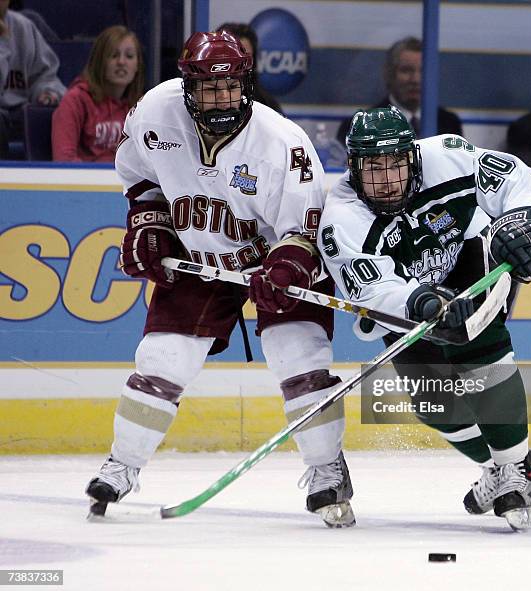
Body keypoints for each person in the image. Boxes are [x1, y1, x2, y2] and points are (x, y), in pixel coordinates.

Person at [85, 31, 354, 528]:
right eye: (208, 88)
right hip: (201, 255)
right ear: (187, 86)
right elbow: (140, 178)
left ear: (245, 85)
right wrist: (149, 222)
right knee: (163, 357)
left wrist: (287, 266)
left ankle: (326, 470)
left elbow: (307, 230)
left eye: (229, 87)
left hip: (277, 261)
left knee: (298, 356)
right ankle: (122, 464)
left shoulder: (283, 145)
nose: (220, 98)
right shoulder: (154, 112)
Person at [318, 106, 531, 531]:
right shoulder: (341, 220)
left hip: (466, 263)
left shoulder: (446, 156)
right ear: (352, 167)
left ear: (412, 156)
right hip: (411, 300)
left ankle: (516, 472)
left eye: (396, 163)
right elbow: (375, 291)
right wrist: (424, 303)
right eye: (374, 166)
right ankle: (497, 468)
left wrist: (522, 222)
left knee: (477, 349)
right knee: (433, 402)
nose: (388, 178)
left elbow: (521, 180)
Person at [336, 36, 462, 145]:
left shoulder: (449, 124)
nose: (415, 79)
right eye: (406, 70)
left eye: (423, 71)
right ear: (389, 74)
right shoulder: (361, 125)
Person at [51, 25, 145, 162]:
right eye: (113, 55)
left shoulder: (142, 106)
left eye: (129, 56)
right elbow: (64, 159)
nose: (121, 62)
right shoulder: (76, 100)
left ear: (137, 65)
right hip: (85, 181)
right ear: (99, 61)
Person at [0, 0, 65, 158]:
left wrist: (47, 92)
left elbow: (45, 75)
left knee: (50, 114)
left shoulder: (24, 26)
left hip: (21, 112)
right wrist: (2, 43)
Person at [217, 22, 284, 115]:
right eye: (231, 55)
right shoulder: (201, 99)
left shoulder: (266, 105)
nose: (237, 64)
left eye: (245, 57)